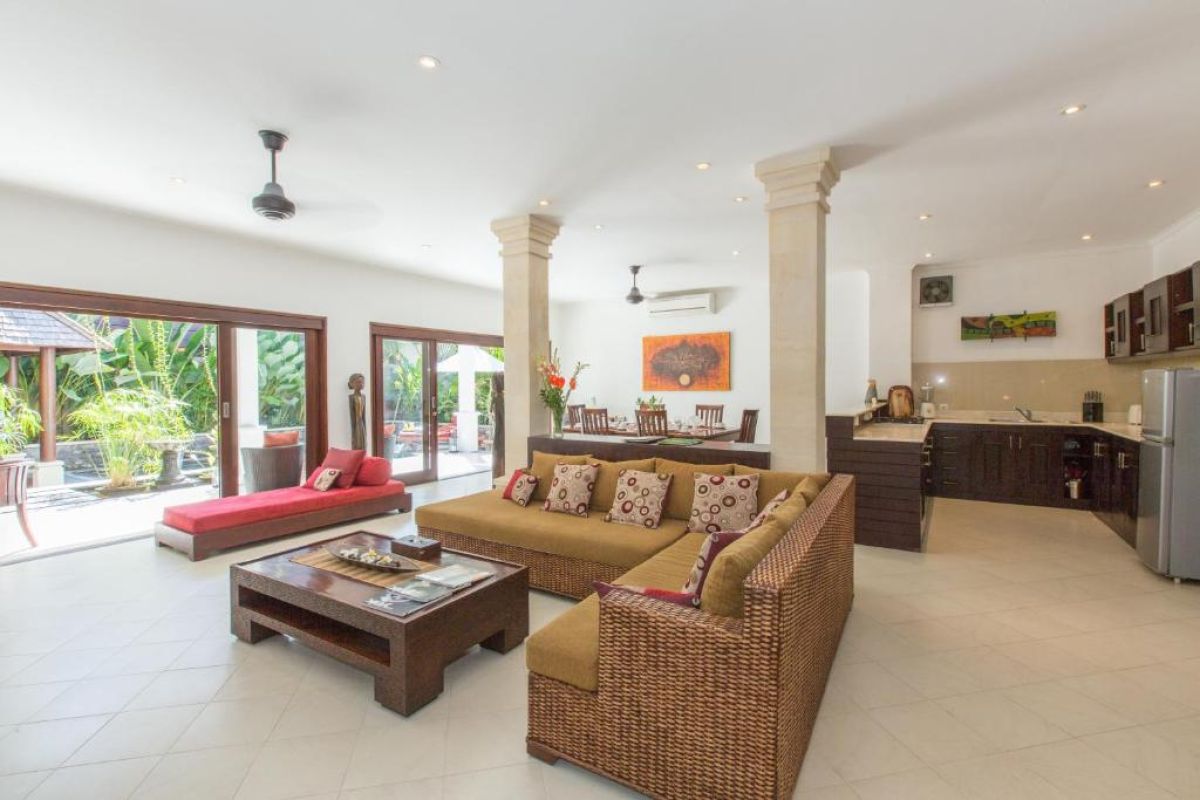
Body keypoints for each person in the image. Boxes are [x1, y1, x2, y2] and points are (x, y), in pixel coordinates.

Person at [348, 373, 367, 451]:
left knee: (364, 442)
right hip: (356, 424)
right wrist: (353, 432)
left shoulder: (363, 397)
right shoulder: (351, 397)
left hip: (361, 424)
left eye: (362, 382)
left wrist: (365, 429)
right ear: (352, 384)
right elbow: (352, 416)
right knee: (357, 442)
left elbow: (364, 415)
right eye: (358, 382)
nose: (361, 384)